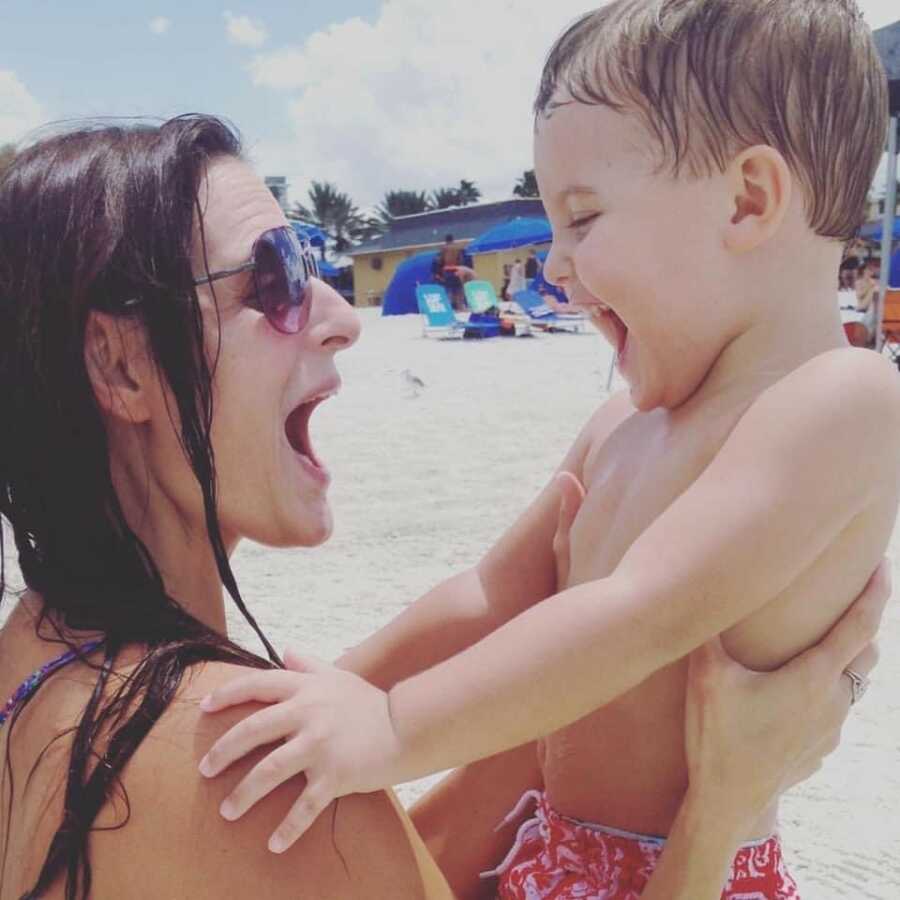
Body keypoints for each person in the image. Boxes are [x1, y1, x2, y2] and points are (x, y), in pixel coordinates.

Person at [0, 118, 886, 899]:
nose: (342, 314)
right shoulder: (226, 766)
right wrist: (723, 808)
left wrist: (549, 693)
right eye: (272, 278)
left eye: (311, 257)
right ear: (119, 367)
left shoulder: (33, 658)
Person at [198, 3, 899, 898]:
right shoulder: (625, 424)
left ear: (748, 199)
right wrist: (334, 689)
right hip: (551, 846)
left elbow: (645, 613)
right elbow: (492, 592)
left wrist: (391, 728)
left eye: (584, 218)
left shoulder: (841, 399)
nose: (556, 266)